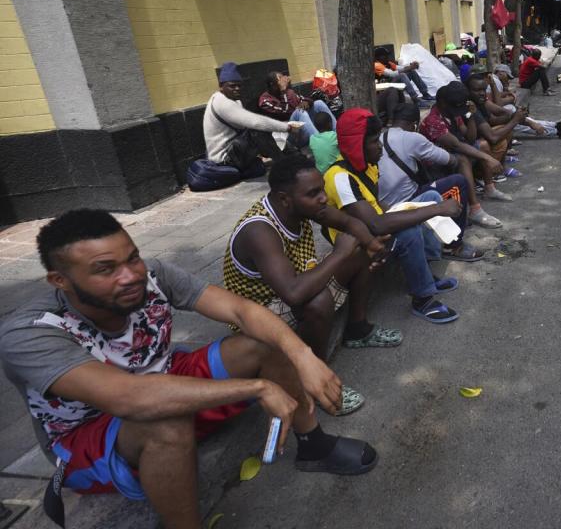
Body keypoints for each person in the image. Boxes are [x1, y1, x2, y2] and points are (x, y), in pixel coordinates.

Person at [0, 209, 377, 528]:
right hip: (92, 434)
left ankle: (315, 446)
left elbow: (240, 310)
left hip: (165, 378)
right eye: (105, 269)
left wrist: (302, 355)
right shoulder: (31, 334)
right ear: (60, 281)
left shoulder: (153, 276)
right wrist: (259, 388)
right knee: (165, 420)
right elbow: (131, 399)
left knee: (265, 341)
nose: (130, 275)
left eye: (132, 257)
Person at [224, 155, 400, 416]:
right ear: (285, 198)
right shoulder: (259, 231)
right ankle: (314, 380)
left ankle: (357, 330)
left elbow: (350, 223)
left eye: (321, 190)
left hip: (290, 287)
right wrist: (339, 253)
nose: (323, 199)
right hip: (257, 315)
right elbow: (293, 294)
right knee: (317, 300)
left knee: (357, 251)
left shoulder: (301, 205)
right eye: (314, 193)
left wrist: (372, 246)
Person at [323, 108, 464, 323]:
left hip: (374, 228)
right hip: (358, 243)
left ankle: (424, 271)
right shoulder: (339, 177)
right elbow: (376, 225)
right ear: (356, 146)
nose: (380, 147)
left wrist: (415, 208)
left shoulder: (367, 166)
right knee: (409, 230)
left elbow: (379, 205)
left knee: (431, 196)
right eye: (374, 142)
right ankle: (422, 298)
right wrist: (437, 210)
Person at [379, 104, 485, 262]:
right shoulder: (412, 137)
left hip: (384, 204)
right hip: (406, 201)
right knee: (458, 182)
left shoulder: (381, 138)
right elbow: (447, 159)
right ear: (415, 124)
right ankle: (454, 246)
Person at [420, 83, 505, 229]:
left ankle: (489, 188)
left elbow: (469, 137)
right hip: (434, 166)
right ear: (442, 103)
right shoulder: (433, 120)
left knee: (480, 147)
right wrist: (488, 158)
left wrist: (471, 116)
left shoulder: (452, 113)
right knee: (463, 159)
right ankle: (475, 209)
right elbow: (456, 145)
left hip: (450, 156)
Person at [204, 62, 301, 170]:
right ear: (221, 87)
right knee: (259, 129)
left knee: (266, 130)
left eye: (239, 85)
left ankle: (292, 155)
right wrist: (287, 128)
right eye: (232, 86)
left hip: (235, 150)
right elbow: (255, 122)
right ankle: (284, 163)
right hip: (224, 159)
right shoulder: (221, 102)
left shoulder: (235, 101)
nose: (237, 88)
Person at [465, 72, 529, 201]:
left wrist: (514, 116)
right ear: (468, 91)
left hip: (479, 142)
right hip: (470, 151)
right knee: (500, 132)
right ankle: (485, 180)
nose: (482, 93)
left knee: (509, 123)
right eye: (477, 90)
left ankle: (500, 169)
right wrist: (514, 119)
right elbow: (492, 136)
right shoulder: (470, 106)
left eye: (483, 89)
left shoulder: (481, 100)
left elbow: (498, 113)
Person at [486, 66, 561, 139]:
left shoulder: (494, 82)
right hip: (492, 118)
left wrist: (508, 93)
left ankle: (557, 126)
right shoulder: (495, 80)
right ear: (500, 72)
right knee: (519, 121)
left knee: (522, 118)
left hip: (494, 115)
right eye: (507, 76)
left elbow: (495, 97)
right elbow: (498, 103)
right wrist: (511, 98)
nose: (508, 79)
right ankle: (558, 130)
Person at [258, 71, 337, 145]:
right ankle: (322, 144)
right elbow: (285, 112)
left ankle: (337, 135)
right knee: (299, 112)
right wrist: (283, 91)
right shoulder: (265, 101)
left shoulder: (289, 93)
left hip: (302, 130)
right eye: (280, 79)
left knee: (318, 103)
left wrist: (306, 102)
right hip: (287, 137)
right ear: (272, 84)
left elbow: (306, 99)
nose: (284, 80)